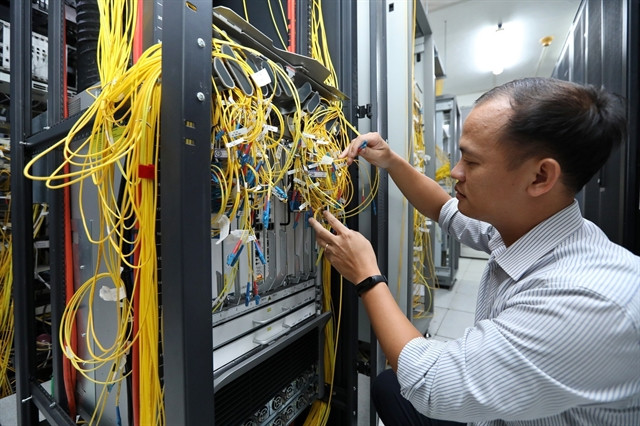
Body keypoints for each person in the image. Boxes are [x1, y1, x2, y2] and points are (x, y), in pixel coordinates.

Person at [308, 77, 640, 425]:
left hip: (491, 412)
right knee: (389, 387)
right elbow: (442, 209)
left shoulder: (587, 302)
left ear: (541, 177)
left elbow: (431, 385)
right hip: (500, 412)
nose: (455, 172)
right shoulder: (528, 227)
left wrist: (366, 276)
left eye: (472, 161)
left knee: (406, 385)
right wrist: (390, 160)